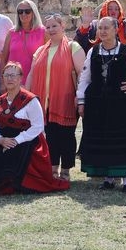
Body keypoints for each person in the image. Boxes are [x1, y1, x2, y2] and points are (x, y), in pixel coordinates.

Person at [76, 16, 126, 194]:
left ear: (115, 29)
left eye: (107, 28)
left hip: (120, 102)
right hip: (97, 103)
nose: (103, 31)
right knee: (104, 139)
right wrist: (81, 101)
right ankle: (108, 178)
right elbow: (84, 78)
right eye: (100, 28)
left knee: (122, 139)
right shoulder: (93, 51)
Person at [0, 62, 70, 195]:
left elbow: (38, 127)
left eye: (13, 75)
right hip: (5, 142)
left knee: (15, 181)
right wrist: (0, 139)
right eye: (6, 75)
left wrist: (17, 140)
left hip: (28, 143)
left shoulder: (31, 100)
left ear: (20, 78)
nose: (9, 79)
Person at [25, 13, 85, 181]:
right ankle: (52, 170)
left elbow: (83, 74)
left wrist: (80, 97)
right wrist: (26, 96)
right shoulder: (40, 50)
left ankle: (65, 170)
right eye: (48, 27)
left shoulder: (73, 47)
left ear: (62, 26)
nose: (51, 30)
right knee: (50, 136)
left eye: (54, 26)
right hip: (44, 101)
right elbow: (31, 74)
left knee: (66, 135)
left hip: (66, 99)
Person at [76, 0, 126, 106]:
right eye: (110, 8)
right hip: (99, 89)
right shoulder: (94, 29)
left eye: (116, 9)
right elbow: (85, 49)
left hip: (124, 87)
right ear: (104, 11)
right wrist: (85, 27)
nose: (113, 12)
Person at [0, 0, 46, 83]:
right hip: (13, 82)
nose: (23, 14)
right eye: (20, 11)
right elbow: (3, 59)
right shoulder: (11, 33)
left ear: (33, 13)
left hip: (35, 80)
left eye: (27, 11)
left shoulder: (43, 32)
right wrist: (2, 82)